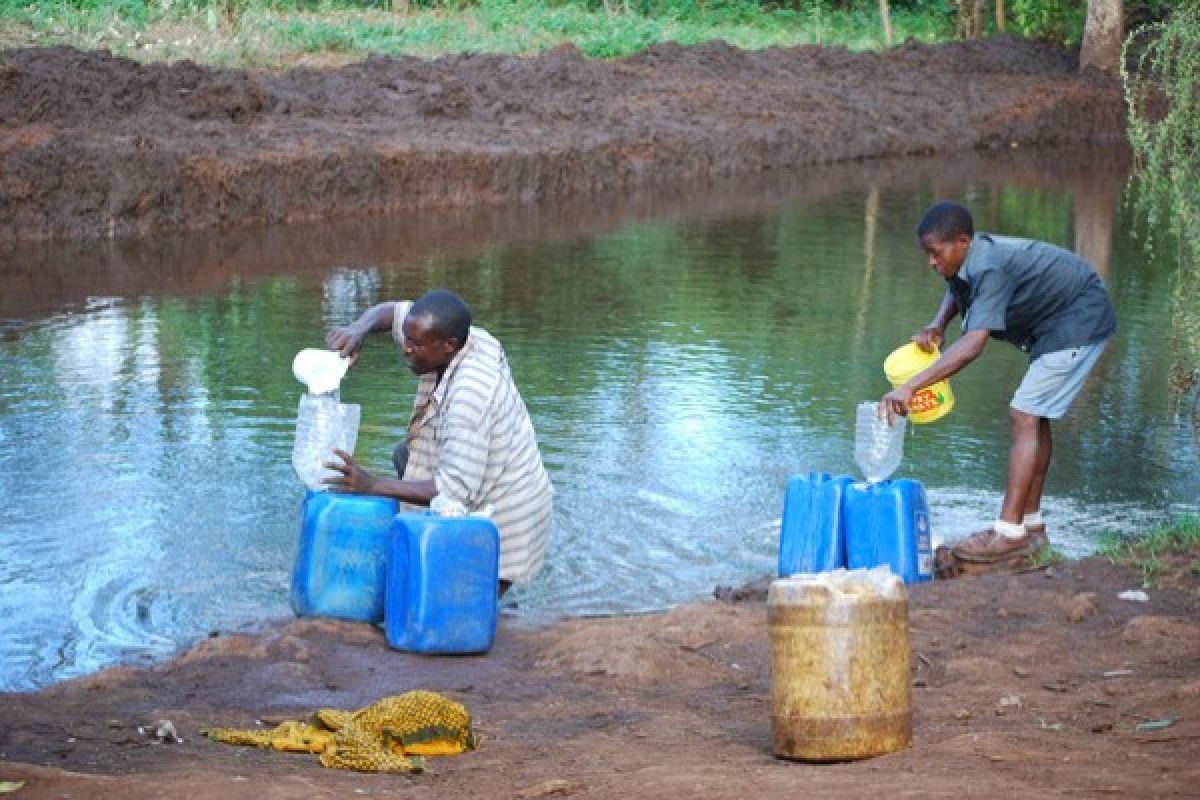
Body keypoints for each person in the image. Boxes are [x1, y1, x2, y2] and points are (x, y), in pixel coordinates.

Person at [881, 201, 1117, 563]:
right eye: (926, 254)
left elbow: (974, 343)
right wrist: (938, 324)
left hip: (1079, 318)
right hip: (1056, 323)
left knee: (1023, 414)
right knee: (1035, 416)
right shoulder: (968, 260)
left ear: (962, 242)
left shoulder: (990, 266)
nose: (931, 262)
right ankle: (1032, 526)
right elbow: (956, 288)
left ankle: (1008, 533)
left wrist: (912, 385)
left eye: (935, 253)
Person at [323, 289, 554, 596]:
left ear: (449, 346)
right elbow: (393, 312)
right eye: (406, 339)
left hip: (507, 505)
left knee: (462, 604)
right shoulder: (454, 333)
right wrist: (358, 329)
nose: (405, 349)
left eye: (415, 345)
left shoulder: (470, 393)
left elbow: (451, 489)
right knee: (405, 455)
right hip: (486, 466)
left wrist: (371, 485)